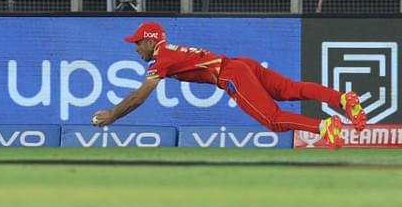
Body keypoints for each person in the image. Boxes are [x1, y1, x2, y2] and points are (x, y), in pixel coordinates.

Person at [92, 21, 367, 148]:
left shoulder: (160, 58)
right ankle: (343, 99)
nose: (135, 48)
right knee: (289, 90)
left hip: (231, 74)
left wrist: (112, 115)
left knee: (272, 120)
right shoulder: (167, 52)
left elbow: (139, 97)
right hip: (240, 64)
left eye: (137, 42)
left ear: (150, 41)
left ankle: (324, 126)